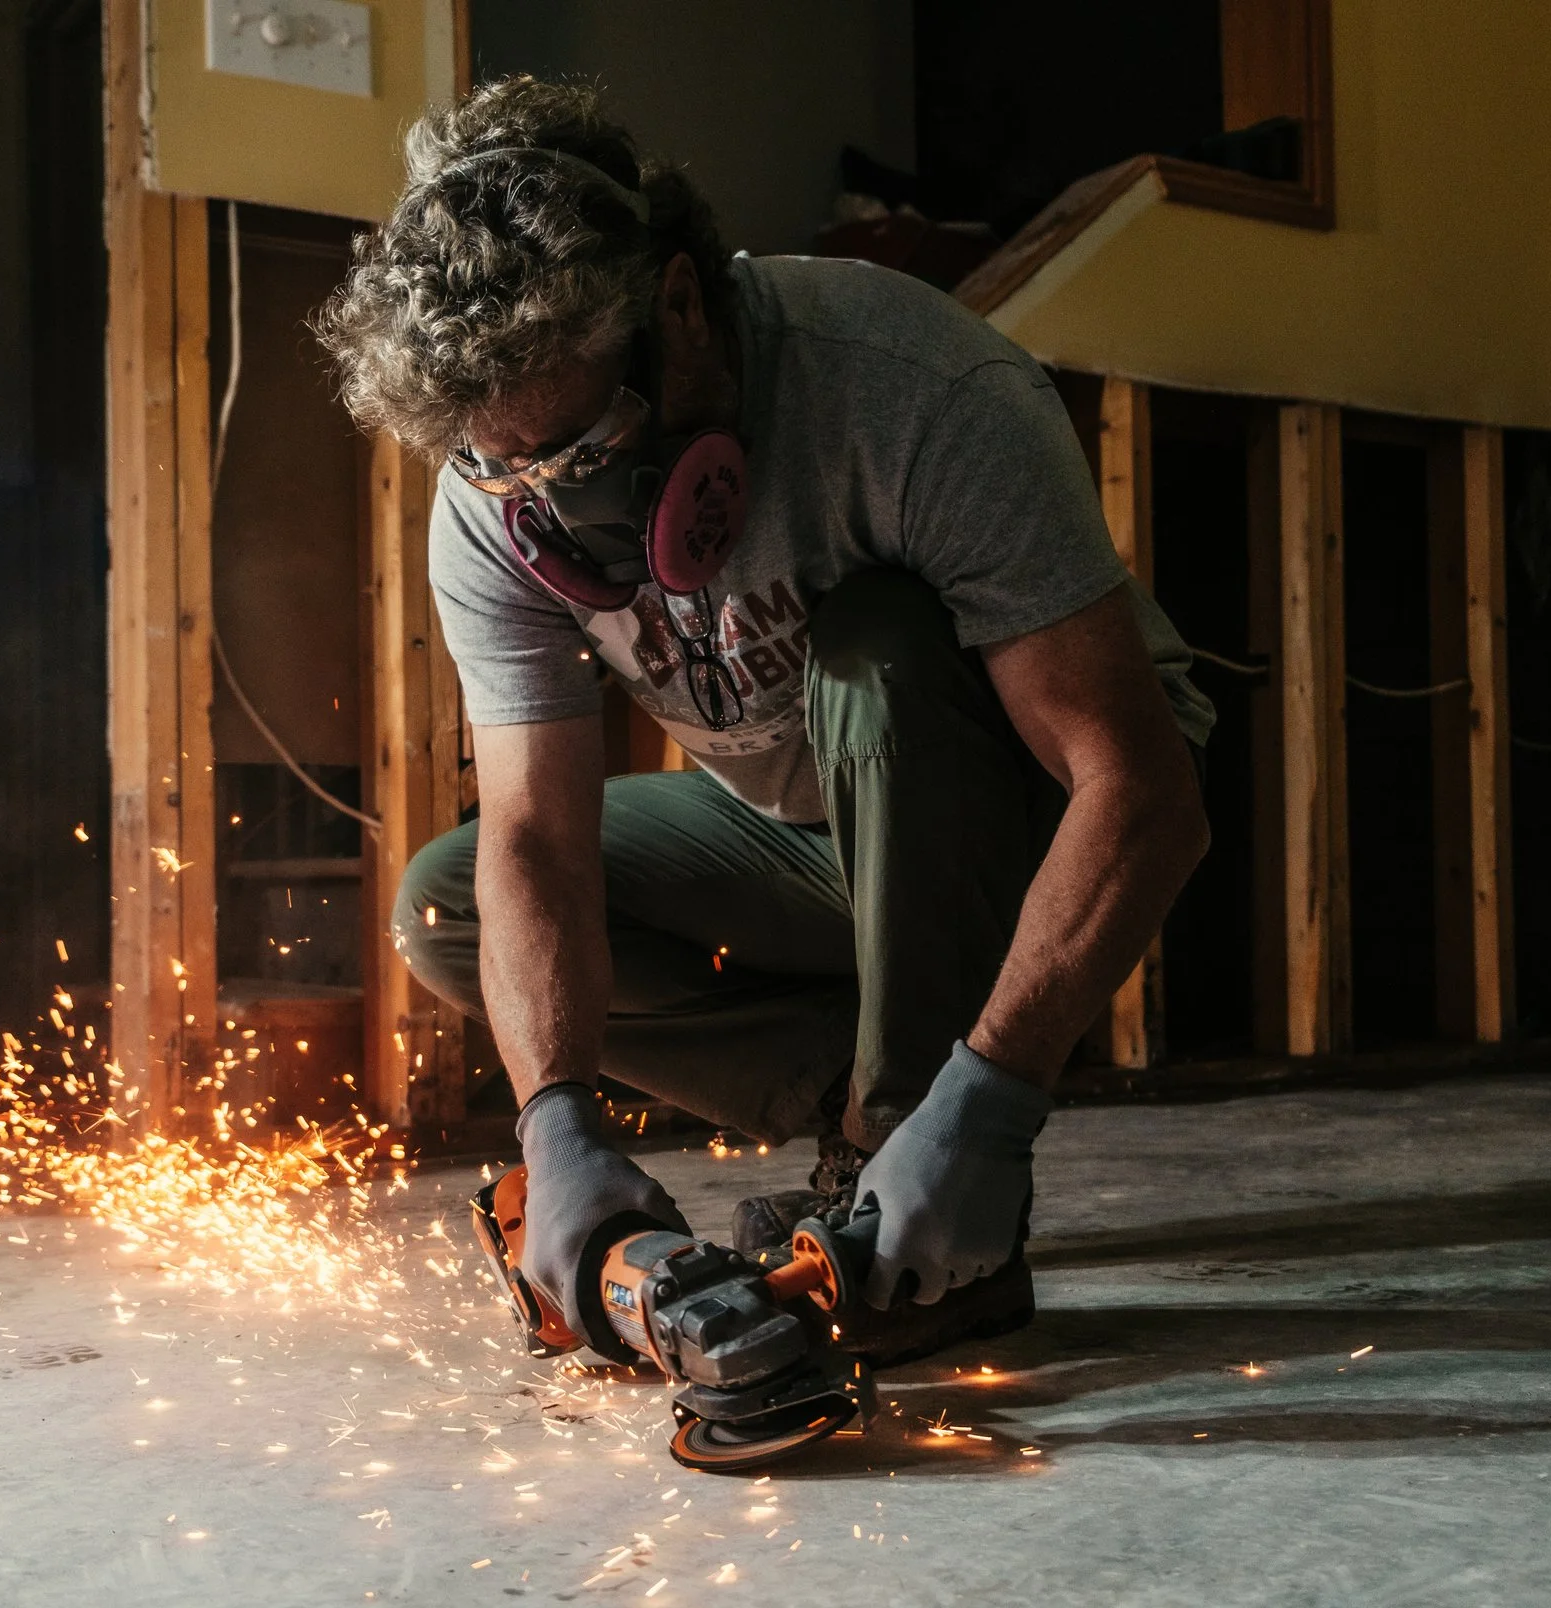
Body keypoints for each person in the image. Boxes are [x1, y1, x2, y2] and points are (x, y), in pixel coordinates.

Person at [317, 78, 1213, 1359]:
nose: (551, 512)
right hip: (804, 827)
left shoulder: (914, 389)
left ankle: (920, 1146)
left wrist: (992, 1104)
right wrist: (554, 1125)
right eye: (501, 465)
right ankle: (870, 1096)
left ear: (677, 303)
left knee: (878, 649)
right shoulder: (489, 496)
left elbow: (1139, 783)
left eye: (579, 453)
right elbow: (536, 838)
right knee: (455, 900)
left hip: (1032, 805)